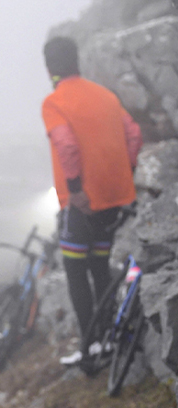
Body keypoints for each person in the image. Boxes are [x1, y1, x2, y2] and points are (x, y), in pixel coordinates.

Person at [40, 37, 143, 367]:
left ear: (49, 67)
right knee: (100, 267)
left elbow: (66, 145)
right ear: (77, 61)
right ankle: (108, 339)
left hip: (82, 203)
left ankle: (89, 347)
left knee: (75, 270)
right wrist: (125, 172)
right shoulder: (106, 96)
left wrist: (76, 189)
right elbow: (134, 135)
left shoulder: (54, 102)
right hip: (114, 198)